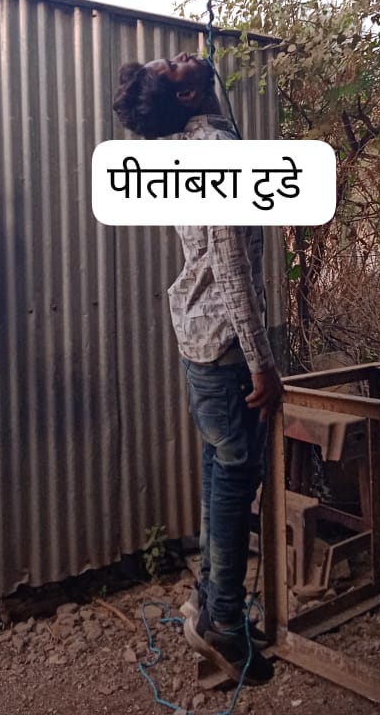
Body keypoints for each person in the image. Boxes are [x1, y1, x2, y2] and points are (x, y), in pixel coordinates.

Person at [113, 51, 283, 686]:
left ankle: (208, 603)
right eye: (173, 67)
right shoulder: (214, 150)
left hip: (198, 338)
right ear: (186, 96)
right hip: (228, 347)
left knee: (220, 472)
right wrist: (263, 363)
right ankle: (224, 624)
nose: (182, 55)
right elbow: (233, 265)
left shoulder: (188, 147)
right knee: (236, 479)